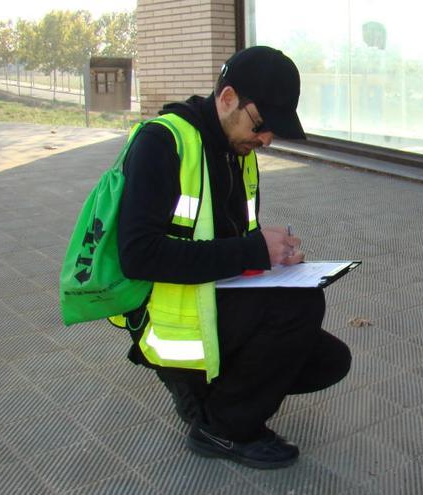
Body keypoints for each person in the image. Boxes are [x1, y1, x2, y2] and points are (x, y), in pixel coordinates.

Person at [116, 46, 351, 470]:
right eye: (261, 125)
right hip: (169, 318)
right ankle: (220, 426)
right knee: (301, 306)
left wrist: (272, 256)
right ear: (227, 99)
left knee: (328, 361)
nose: (265, 140)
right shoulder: (161, 142)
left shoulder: (236, 151)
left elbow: (228, 243)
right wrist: (253, 249)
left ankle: (214, 395)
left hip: (208, 299)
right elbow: (137, 256)